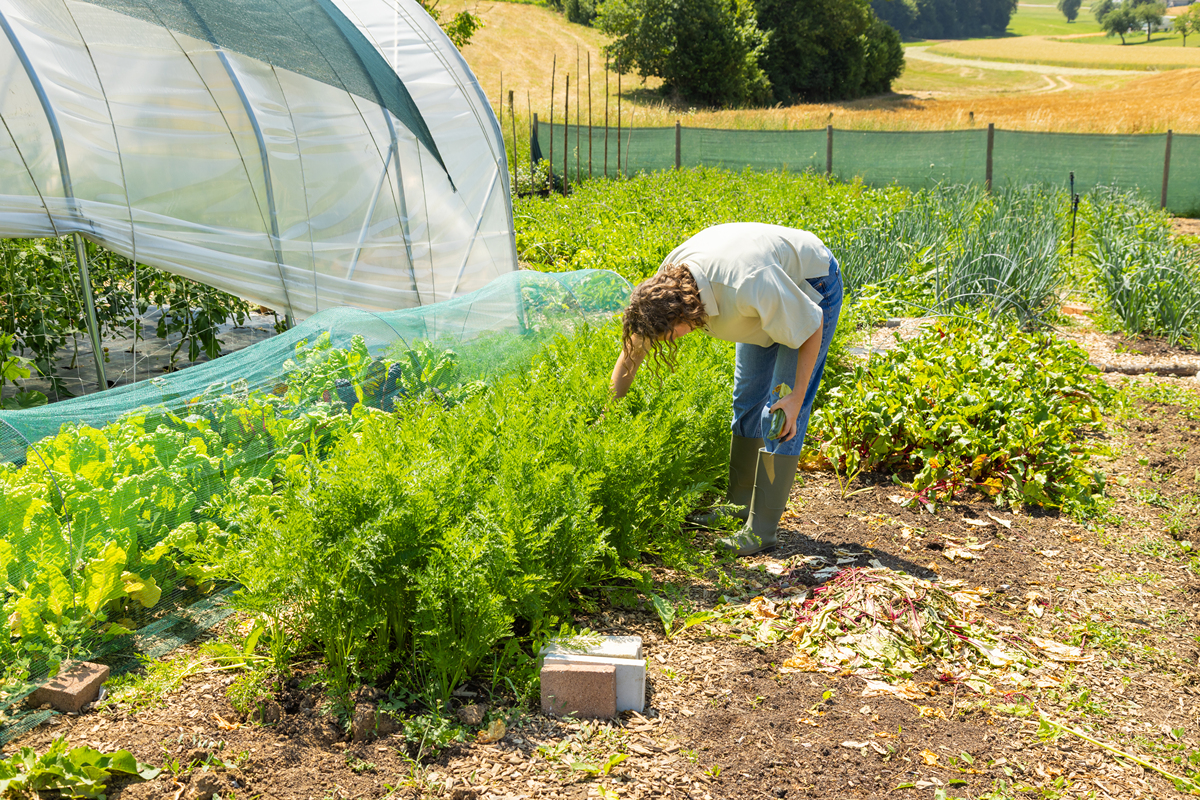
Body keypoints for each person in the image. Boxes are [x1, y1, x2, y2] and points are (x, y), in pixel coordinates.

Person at [610, 222, 843, 556]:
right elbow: (632, 353)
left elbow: (810, 326)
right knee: (747, 399)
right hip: (765, 291)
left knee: (779, 412)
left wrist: (797, 398)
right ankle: (738, 506)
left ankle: (762, 530)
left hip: (809, 284)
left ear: (685, 314)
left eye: (669, 335)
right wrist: (608, 409)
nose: (665, 342)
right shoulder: (665, 291)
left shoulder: (747, 285)